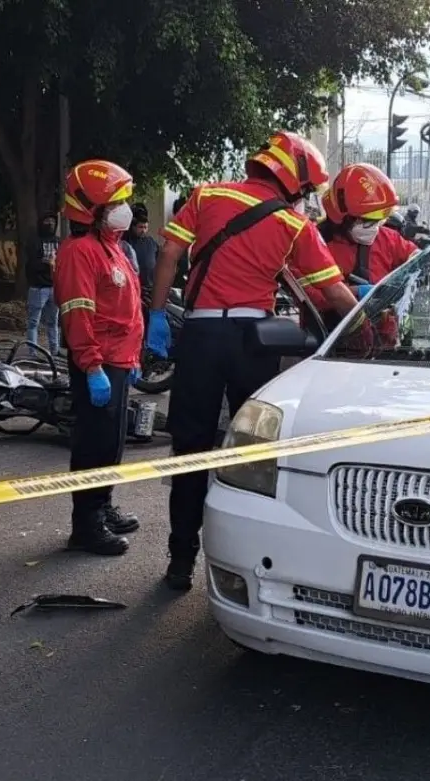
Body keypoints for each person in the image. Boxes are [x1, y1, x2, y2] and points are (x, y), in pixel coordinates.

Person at [148, 131, 358, 591]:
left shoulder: (207, 195)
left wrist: (157, 313)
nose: (304, 199)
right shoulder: (293, 226)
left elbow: (169, 252)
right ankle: (249, 567)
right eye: (304, 190)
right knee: (253, 458)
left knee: (190, 452)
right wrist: (371, 328)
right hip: (254, 344)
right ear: (292, 181)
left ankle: (180, 561)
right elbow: (334, 292)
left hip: (201, 336)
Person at [53, 159, 145, 556]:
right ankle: (86, 524)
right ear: (91, 209)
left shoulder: (112, 248)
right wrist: (91, 366)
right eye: (117, 202)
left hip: (119, 361)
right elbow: (78, 313)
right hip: (99, 363)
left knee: (112, 443)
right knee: (94, 443)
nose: (125, 207)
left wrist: (135, 356)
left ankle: (103, 505)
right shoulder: (80, 252)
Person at [307, 163, 418, 328]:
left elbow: (416, 256)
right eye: (367, 221)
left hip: (385, 344)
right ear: (344, 217)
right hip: (330, 343)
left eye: (378, 221)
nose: (374, 227)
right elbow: (312, 297)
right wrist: (357, 292)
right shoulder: (315, 243)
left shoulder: (386, 238)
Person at [26, 211, 61, 356]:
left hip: (54, 287)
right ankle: (32, 352)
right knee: (34, 322)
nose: (50, 224)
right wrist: (48, 264)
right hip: (38, 287)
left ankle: (55, 350)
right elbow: (32, 264)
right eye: (47, 222)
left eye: (52, 222)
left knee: (53, 322)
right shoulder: (35, 242)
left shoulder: (59, 242)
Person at [123, 207, 159, 289]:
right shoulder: (126, 242)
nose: (143, 230)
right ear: (133, 227)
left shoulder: (151, 242)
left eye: (145, 227)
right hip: (134, 286)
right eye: (140, 227)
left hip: (150, 286)